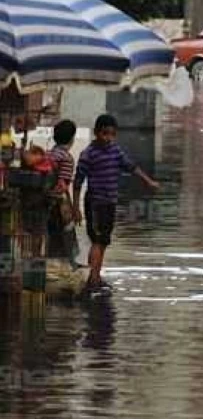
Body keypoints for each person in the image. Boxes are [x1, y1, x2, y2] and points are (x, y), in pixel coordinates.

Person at [73, 114, 159, 290]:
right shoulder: (88, 154)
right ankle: (94, 279)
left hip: (110, 202)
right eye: (105, 133)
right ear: (97, 133)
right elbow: (77, 182)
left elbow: (131, 167)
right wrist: (76, 207)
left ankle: (94, 275)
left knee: (102, 241)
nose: (108, 138)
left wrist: (148, 181)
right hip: (96, 202)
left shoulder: (115, 150)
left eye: (112, 134)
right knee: (98, 240)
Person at [48, 119, 83, 268]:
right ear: (71, 139)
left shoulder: (49, 153)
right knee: (67, 233)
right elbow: (63, 184)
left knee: (52, 235)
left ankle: (53, 263)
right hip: (58, 202)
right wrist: (73, 208)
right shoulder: (67, 158)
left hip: (46, 200)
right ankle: (69, 264)